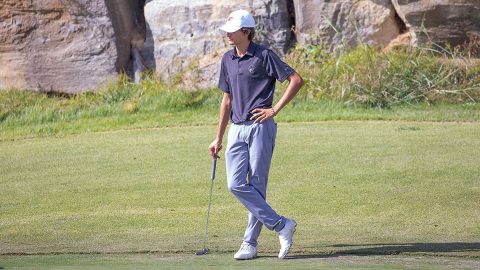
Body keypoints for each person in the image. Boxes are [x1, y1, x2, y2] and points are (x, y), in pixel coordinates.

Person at [208, 9, 304, 260]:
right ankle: (282, 224)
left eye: (233, 31)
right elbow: (226, 100)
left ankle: (249, 243)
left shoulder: (264, 55)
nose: (228, 34)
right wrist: (218, 137)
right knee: (235, 184)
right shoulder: (227, 59)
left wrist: (275, 109)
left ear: (246, 32)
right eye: (227, 31)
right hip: (236, 129)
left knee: (257, 186)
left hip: (261, 127)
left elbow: (295, 80)